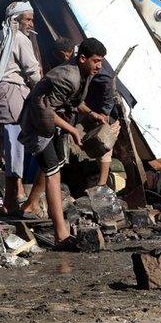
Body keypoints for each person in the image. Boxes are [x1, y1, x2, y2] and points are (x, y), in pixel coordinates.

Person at [19, 38, 110, 249]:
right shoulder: (68, 77)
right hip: (38, 124)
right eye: (96, 61)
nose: (99, 66)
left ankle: (32, 205)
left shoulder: (84, 74)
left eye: (101, 61)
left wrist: (92, 113)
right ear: (82, 58)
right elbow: (45, 109)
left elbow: (76, 101)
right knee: (53, 173)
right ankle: (61, 234)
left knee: (53, 167)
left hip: (55, 124)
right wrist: (73, 131)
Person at [0, 2, 45, 216]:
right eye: (28, 19)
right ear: (16, 20)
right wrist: (41, 92)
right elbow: (32, 70)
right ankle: (13, 197)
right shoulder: (20, 38)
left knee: (11, 143)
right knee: (16, 143)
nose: (31, 23)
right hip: (15, 93)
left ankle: (13, 195)